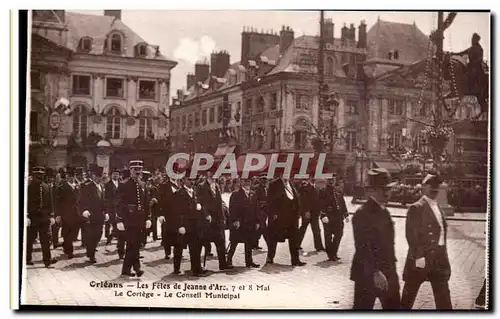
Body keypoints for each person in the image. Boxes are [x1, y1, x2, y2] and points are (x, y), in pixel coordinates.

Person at [401, 174, 453, 309]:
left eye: (437, 186)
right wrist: (419, 256)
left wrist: (444, 259)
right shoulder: (416, 207)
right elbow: (411, 235)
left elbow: (442, 235)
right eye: (431, 185)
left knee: (444, 299)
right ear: (423, 187)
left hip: (438, 259)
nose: (435, 189)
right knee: (408, 297)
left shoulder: (438, 207)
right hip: (422, 258)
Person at [350, 168, 400, 309]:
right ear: (372, 191)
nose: (387, 193)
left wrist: (391, 272)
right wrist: (376, 272)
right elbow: (362, 247)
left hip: (388, 271)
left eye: (388, 189)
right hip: (367, 273)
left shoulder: (384, 211)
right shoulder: (362, 214)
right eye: (383, 190)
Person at [116, 160, 152, 277]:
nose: (138, 172)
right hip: (129, 219)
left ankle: (126, 270)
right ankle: (137, 268)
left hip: (140, 220)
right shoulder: (124, 184)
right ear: (130, 170)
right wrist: (120, 219)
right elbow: (119, 203)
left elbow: (146, 203)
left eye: (139, 170)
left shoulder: (143, 184)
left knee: (134, 245)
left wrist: (148, 218)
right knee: (133, 244)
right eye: (135, 170)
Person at [266, 173, 306, 266]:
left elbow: (296, 199)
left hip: (292, 217)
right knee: (274, 238)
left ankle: (295, 260)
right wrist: (274, 213)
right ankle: (270, 258)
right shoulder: (274, 184)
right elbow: (270, 200)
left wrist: (298, 214)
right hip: (279, 217)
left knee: (294, 238)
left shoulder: (290, 184)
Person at [196, 171, 231, 270]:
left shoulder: (216, 186)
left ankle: (223, 264)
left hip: (217, 220)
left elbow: (220, 203)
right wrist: (206, 214)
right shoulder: (201, 186)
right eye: (212, 174)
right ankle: (198, 266)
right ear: (208, 174)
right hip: (206, 220)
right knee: (202, 242)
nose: (215, 176)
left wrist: (223, 217)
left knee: (220, 241)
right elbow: (199, 202)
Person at [172, 171, 205, 276]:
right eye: (189, 179)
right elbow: (176, 211)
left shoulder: (194, 192)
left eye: (193, 180)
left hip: (195, 224)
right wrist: (180, 225)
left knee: (195, 247)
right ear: (184, 180)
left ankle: (196, 268)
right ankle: (176, 268)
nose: (192, 182)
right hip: (184, 225)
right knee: (179, 247)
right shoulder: (179, 193)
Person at [26, 166, 57, 267]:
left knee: (46, 240)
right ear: (34, 175)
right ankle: (27, 258)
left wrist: (52, 215)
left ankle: (47, 260)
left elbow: (51, 202)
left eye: (41, 175)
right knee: (29, 239)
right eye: (37, 175)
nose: (39, 177)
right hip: (32, 217)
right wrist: (26, 215)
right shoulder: (28, 186)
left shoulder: (47, 186)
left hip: (44, 218)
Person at [227, 178, 261, 268]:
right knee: (234, 242)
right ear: (241, 182)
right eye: (245, 181)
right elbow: (232, 209)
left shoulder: (253, 194)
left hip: (250, 223)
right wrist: (235, 220)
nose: (247, 183)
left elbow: (256, 209)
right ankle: (229, 260)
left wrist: (257, 221)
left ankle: (249, 261)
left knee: (249, 243)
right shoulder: (236, 194)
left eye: (249, 181)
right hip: (239, 223)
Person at [79, 165, 108, 264]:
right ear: (93, 176)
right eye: (98, 176)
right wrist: (84, 210)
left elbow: (104, 201)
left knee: (98, 234)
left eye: (101, 176)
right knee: (92, 235)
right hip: (91, 215)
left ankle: (90, 250)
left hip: (100, 215)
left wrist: (106, 212)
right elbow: (81, 200)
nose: (99, 178)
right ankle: (91, 255)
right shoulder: (87, 186)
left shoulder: (102, 186)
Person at [320, 177, 348, 261]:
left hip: (338, 217)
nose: (331, 182)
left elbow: (342, 203)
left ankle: (334, 252)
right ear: (326, 181)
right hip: (328, 217)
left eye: (333, 180)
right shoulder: (323, 191)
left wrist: (346, 214)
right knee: (328, 236)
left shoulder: (338, 191)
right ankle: (330, 255)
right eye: (329, 180)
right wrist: (323, 215)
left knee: (339, 234)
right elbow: (320, 204)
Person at [55, 167, 80, 259]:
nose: (71, 178)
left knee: (73, 232)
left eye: (73, 176)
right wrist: (58, 214)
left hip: (76, 213)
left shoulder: (77, 185)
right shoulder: (62, 186)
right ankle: (70, 251)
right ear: (66, 176)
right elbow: (58, 201)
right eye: (69, 176)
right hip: (66, 213)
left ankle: (66, 246)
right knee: (67, 232)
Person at [297, 176, 325, 252]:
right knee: (303, 228)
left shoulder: (316, 187)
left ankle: (319, 246)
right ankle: (296, 244)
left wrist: (320, 210)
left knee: (316, 229)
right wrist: (306, 211)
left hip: (315, 212)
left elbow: (317, 201)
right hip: (308, 212)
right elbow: (304, 200)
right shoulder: (306, 187)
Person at [158, 171, 180, 260]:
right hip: (167, 214)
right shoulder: (164, 185)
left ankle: (177, 252)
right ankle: (167, 253)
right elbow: (160, 200)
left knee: (178, 234)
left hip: (178, 215)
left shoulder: (180, 185)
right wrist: (161, 214)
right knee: (167, 234)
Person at [104, 168, 121, 246]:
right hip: (111, 206)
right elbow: (106, 197)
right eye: (114, 174)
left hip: (119, 206)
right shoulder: (108, 185)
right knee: (110, 222)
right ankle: (108, 236)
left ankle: (113, 236)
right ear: (111, 175)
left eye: (117, 174)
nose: (116, 176)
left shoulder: (121, 183)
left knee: (116, 222)